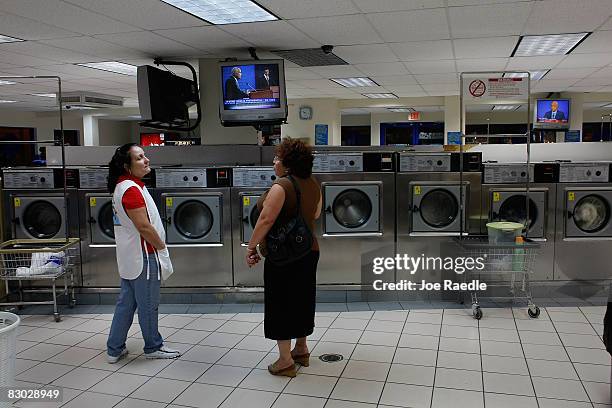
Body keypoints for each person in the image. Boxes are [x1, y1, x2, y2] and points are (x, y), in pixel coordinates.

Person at [246, 138, 322, 378]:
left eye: (277, 158)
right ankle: (301, 349)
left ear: (287, 164)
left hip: (284, 256)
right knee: (302, 299)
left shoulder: (282, 185)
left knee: (281, 304)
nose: (274, 162)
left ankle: (285, 360)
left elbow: (266, 219)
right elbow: (316, 214)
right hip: (309, 251)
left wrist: (251, 247)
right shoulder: (313, 183)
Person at [106, 143, 180, 363]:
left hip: (130, 257)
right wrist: (162, 247)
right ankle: (153, 346)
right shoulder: (130, 190)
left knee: (126, 304)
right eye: (139, 158)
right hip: (144, 256)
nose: (146, 160)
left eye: (144, 155)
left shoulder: (123, 186)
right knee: (148, 304)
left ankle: (114, 348)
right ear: (127, 166)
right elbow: (144, 227)